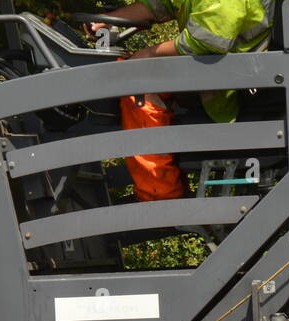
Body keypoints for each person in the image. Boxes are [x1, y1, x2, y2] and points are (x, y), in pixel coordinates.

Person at [91, 1, 274, 200]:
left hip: (233, 89)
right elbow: (162, 4)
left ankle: (160, 196)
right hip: (214, 77)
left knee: (138, 90)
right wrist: (110, 21)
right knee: (136, 77)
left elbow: (206, 41)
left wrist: (145, 55)